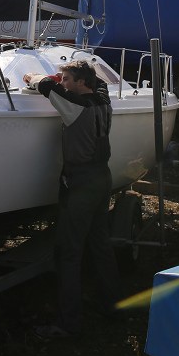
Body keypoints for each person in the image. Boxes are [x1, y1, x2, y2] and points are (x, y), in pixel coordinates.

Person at [23, 59, 121, 338]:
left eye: (67, 79)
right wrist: (65, 75)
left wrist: (36, 76)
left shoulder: (74, 105)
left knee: (69, 252)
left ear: (80, 83)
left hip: (81, 185)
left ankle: (69, 323)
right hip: (103, 178)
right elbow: (99, 82)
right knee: (101, 244)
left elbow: (40, 84)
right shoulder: (103, 99)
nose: (62, 83)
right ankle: (111, 305)